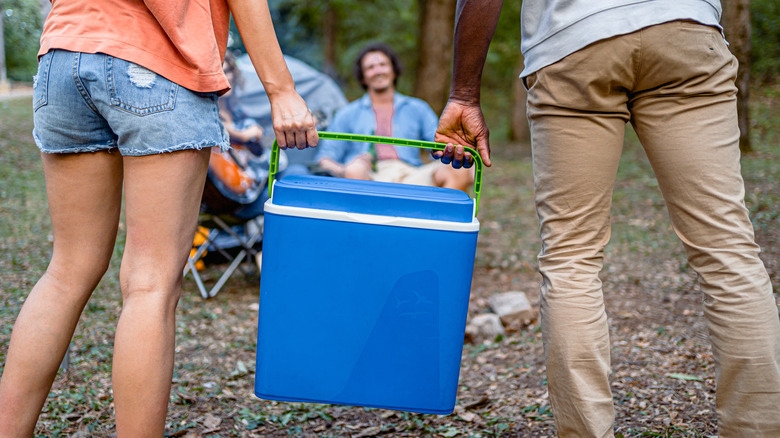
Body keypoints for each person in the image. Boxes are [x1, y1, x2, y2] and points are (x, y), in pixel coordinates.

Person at [435, 0, 780, 436]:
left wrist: (464, 93)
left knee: (571, 258)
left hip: (573, 41)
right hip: (685, 28)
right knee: (727, 250)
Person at [0, 1, 317, 436]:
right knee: (150, 282)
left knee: (67, 271)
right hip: (157, 63)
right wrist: (281, 90)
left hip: (63, 55)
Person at [315, 43, 473, 191]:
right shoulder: (347, 114)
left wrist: (461, 157)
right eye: (370, 67)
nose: (378, 71)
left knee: (457, 169)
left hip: (412, 175)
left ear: (394, 70)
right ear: (363, 77)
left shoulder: (417, 108)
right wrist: (348, 169)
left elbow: (439, 146)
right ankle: (367, 219)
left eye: (383, 65)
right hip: (369, 178)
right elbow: (325, 159)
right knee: (354, 169)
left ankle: (439, 219)